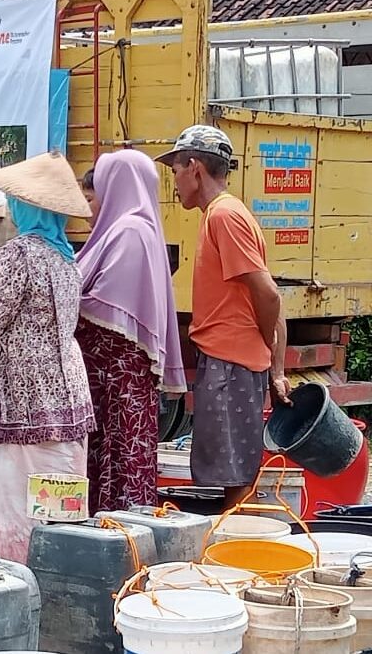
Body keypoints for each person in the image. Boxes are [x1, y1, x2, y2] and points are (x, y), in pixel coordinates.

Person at [0, 151, 96, 564]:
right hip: (68, 397)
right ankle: (60, 580)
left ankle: (19, 584)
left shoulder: (19, 254)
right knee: (58, 507)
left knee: (16, 508)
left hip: (23, 400)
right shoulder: (65, 257)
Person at [156, 125, 290, 511]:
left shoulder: (224, 217)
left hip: (232, 363)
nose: (174, 182)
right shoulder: (223, 214)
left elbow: (268, 294)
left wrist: (265, 346)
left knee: (233, 481)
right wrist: (276, 366)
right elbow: (267, 295)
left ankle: (239, 556)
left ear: (194, 168)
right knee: (229, 475)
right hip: (233, 360)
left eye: (175, 170)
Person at [75, 150, 187, 512]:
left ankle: (117, 542)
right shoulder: (131, 229)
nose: (88, 206)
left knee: (119, 463)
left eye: (95, 194)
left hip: (116, 385)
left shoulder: (129, 232)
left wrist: (63, 299)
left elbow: (109, 309)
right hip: (118, 385)